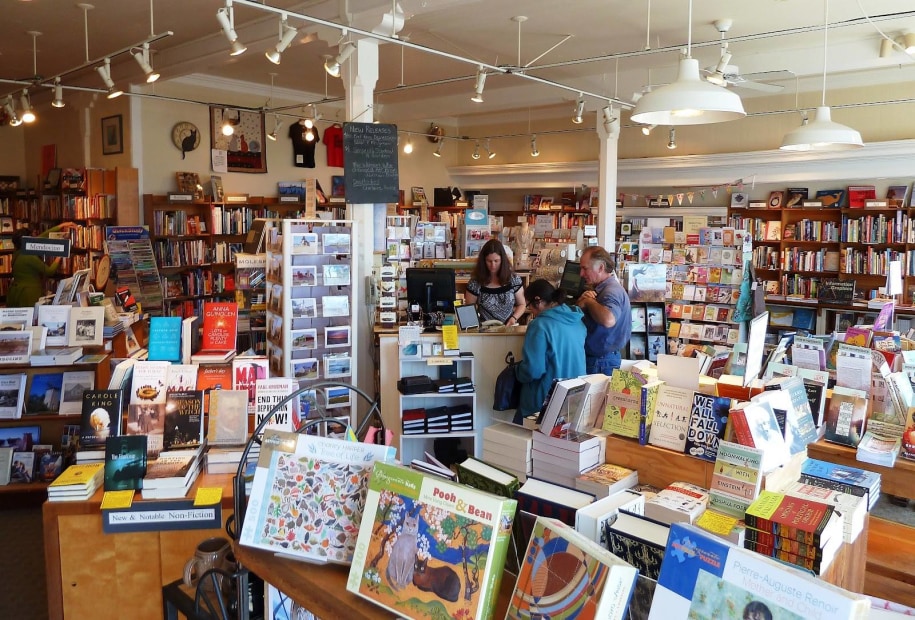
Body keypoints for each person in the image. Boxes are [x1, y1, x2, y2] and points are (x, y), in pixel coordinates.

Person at [514, 279, 586, 424]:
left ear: (538, 302)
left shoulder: (539, 325)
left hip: (544, 400)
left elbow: (533, 370)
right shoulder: (577, 320)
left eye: (529, 306)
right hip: (575, 396)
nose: (532, 312)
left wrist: (516, 371)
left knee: (520, 441)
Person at [577, 246, 631, 374]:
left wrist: (589, 302)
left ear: (601, 268)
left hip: (600, 362)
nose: (581, 274)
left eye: (585, 268)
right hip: (600, 360)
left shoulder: (611, 291)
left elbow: (608, 319)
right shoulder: (600, 289)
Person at [7, 222, 78, 308]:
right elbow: (49, 271)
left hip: (16, 292)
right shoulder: (28, 256)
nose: (35, 238)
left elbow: (42, 236)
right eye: (32, 236)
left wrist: (61, 226)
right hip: (28, 294)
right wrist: (60, 254)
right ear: (27, 240)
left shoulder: (18, 252)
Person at [464, 238, 526, 325]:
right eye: (489, 261)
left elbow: (522, 304)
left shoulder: (514, 280)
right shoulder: (475, 283)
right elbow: (469, 309)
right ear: (483, 261)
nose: (493, 265)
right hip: (485, 330)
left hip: (509, 327)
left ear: (502, 260)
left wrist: (514, 318)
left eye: (496, 261)